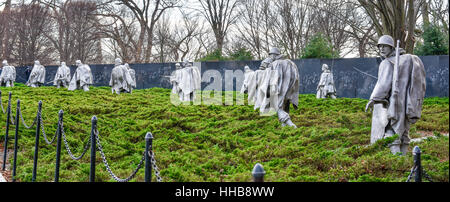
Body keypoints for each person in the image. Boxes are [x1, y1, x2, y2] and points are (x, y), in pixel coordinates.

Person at [365, 35, 426, 155]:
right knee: (404, 133)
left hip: (394, 104)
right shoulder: (409, 60)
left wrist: (373, 99)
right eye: (380, 46)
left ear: (391, 47)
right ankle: (404, 161)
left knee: (391, 133)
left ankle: (396, 162)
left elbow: (383, 85)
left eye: (385, 46)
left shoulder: (387, 63)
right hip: (408, 104)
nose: (381, 49)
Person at [256, 47, 300, 128]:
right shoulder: (291, 63)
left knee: (276, 106)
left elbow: (267, 74)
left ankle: (290, 124)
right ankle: (284, 126)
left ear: (273, 55)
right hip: (290, 88)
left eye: (270, 55)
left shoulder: (274, 63)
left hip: (279, 88)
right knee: (285, 104)